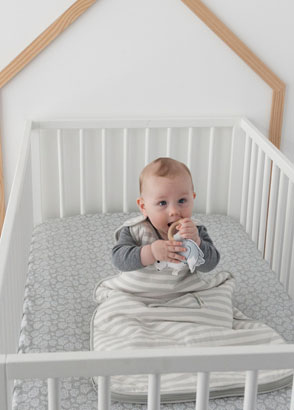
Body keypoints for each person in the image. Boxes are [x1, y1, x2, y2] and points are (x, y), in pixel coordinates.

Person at [112, 157, 220, 274]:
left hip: (184, 289)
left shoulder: (194, 231)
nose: (174, 211)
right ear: (143, 207)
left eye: (182, 200)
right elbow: (118, 260)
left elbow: (210, 264)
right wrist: (151, 252)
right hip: (138, 291)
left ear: (192, 199)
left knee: (217, 291)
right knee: (115, 293)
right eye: (162, 203)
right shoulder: (135, 230)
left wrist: (197, 242)